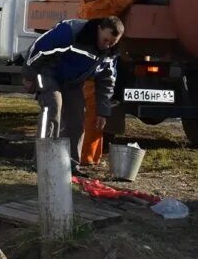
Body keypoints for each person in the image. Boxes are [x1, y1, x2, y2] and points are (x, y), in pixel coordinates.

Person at [75, 0, 157, 165]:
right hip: (97, 64)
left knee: (86, 113)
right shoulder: (109, 4)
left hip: (82, 62)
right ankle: (87, 158)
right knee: (95, 116)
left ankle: (89, 156)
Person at [23, 17, 124, 171]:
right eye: (105, 40)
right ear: (98, 29)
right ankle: (42, 161)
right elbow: (39, 48)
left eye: (112, 43)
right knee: (53, 107)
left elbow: (107, 83)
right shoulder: (71, 32)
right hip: (48, 73)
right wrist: (29, 75)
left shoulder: (110, 54)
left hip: (72, 82)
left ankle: (69, 165)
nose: (107, 45)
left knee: (77, 118)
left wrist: (103, 112)